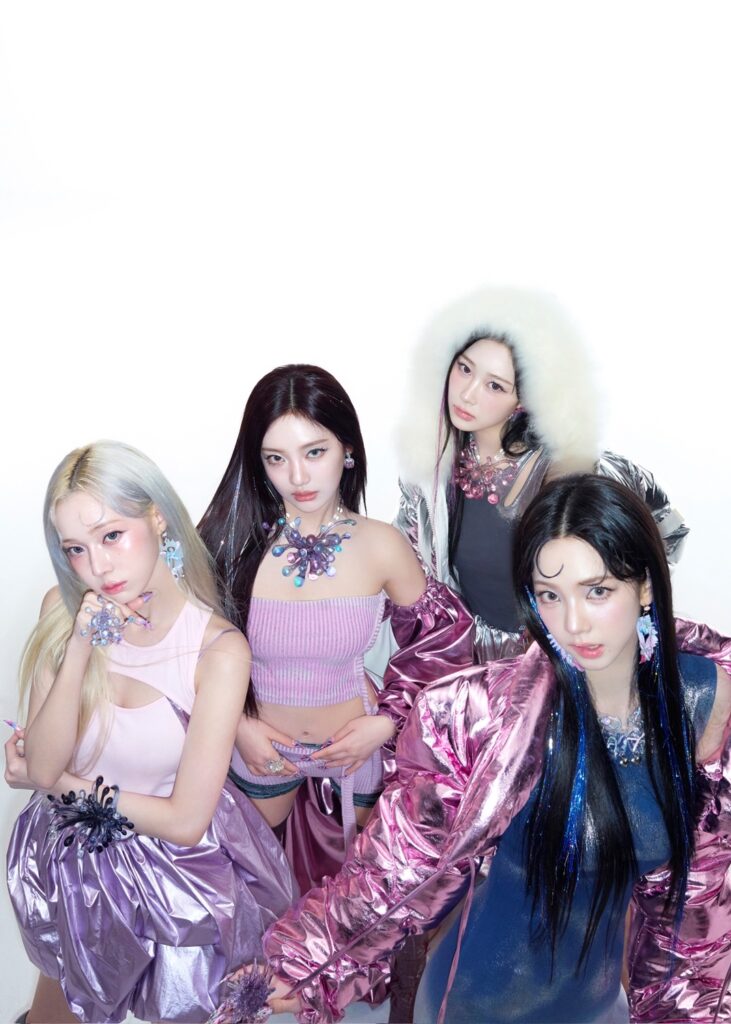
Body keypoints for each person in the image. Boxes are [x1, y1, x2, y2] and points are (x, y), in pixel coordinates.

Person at [212, 475, 731, 1024]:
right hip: (475, 1003)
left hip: (598, 1009)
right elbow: (397, 868)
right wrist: (306, 963)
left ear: (645, 585)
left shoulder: (704, 703)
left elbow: (696, 910)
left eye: (597, 591)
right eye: (550, 596)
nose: (574, 624)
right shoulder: (481, 714)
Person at [5, 441, 295, 1024]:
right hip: (70, 866)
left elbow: (184, 820)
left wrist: (58, 785)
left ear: (157, 517)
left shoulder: (217, 650)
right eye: (76, 549)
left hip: (171, 880)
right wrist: (80, 642)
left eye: (111, 535)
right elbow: (42, 763)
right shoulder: (63, 611)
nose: (97, 566)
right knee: (54, 1011)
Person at [197, 364, 473, 884]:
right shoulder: (227, 544)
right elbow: (184, 650)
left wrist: (386, 723)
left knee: (361, 905)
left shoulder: (381, 544)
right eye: (276, 458)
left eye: (314, 452)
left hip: (356, 754)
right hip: (257, 752)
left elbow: (443, 642)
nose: (298, 477)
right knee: (253, 899)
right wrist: (236, 724)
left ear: (347, 449)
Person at [395, 287, 689, 662]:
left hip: (557, 662)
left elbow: (666, 531)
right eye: (465, 368)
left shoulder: (568, 471)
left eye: (495, 385)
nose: (467, 394)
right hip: (466, 663)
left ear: (524, 399)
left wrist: (617, 612)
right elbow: (414, 574)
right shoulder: (430, 476)